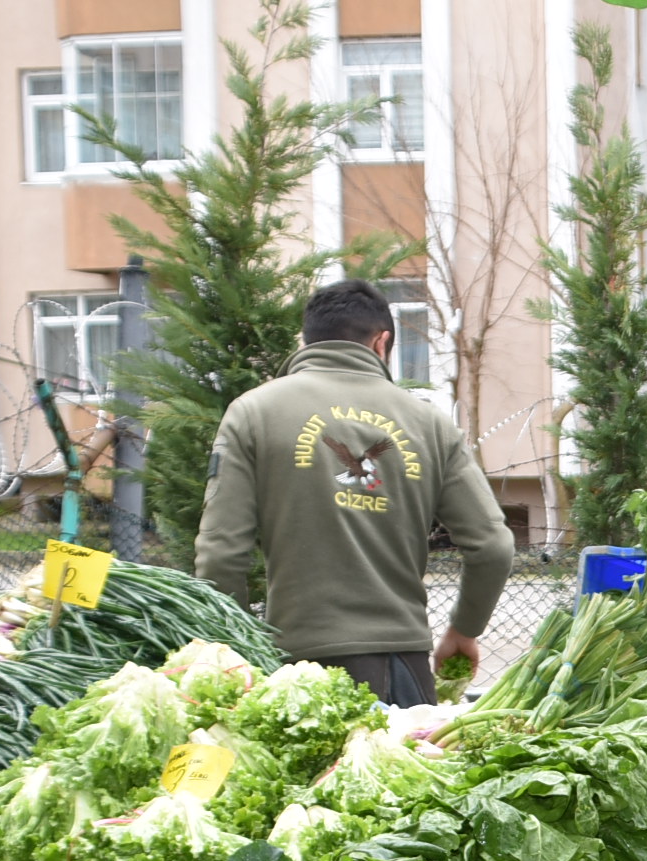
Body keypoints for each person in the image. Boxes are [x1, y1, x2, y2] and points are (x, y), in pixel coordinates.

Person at [196, 280, 514, 706]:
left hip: (298, 672)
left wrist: (231, 652)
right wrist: (463, 631)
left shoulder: (253, 412)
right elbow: (493, 545)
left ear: (305, 340)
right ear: (382, 342)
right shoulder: (430, 424)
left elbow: (221, 552)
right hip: (404, 669)